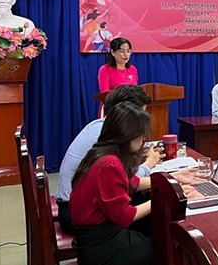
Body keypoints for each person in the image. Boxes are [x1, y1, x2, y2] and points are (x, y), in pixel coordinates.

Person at [56, 85, 157, 235]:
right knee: (153, 220)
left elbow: (127, 182)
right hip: (78, 214)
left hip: (80, 205)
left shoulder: (102, 127)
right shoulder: (106, 144)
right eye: (139, 115)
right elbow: (124, 208)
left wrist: (168, 180)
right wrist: (149, 164)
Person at [70, 102, 154, 265]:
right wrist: (160, 199)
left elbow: (131, 183)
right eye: (141, 134)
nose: (144, 139)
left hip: (92, 238)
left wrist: (172, 180)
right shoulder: (110, 163)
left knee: (149, 230)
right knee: (165, 245)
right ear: (127, 134)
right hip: (102, 246)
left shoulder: (101, 153)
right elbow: (125, 216)